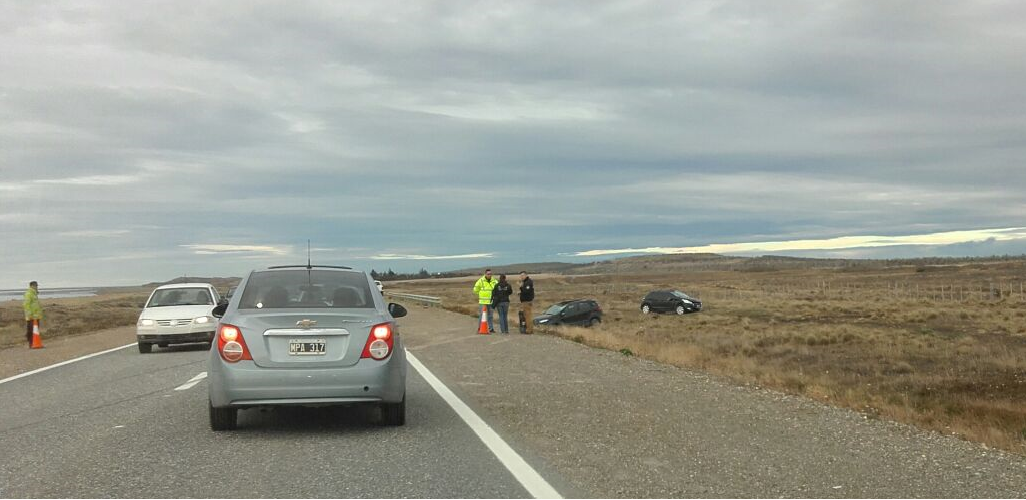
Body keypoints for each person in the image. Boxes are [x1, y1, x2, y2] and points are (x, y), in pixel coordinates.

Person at [23, 281, 43, 347]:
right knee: (31, 330)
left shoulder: (34, 294)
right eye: (36, 286)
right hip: (31, 316)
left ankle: (36, 343)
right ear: (32, 286)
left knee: (35, 330)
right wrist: (29, 315)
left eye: (37, 286)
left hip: (36, 316)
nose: (37, 287)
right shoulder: (29, 294)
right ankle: (31, 344)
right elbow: (26, 305)